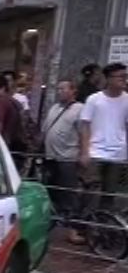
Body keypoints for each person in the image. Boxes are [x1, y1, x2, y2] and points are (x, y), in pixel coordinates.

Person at [79, 62, 128, 213]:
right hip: (95, 153)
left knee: (109, 195)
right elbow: (84, 125)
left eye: (125, 76)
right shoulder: (94, 99)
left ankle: (102, 229)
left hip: (118, 154)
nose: (124, 80)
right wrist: (84, 151)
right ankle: (83, 227)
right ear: (108, 78)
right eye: (121, 77)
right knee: (90, 193)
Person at [41, 79, 85, 242]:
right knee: (51, 192)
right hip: (50, 157)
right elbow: (46, 128)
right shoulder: (54, 108)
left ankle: (72, 229)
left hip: (68, 158)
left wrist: (83, 154)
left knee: (69, 195)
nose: (60, 91)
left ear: (74, 90)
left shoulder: (79, 109)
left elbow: (83, 133)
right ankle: (51, 223)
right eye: (58, 89)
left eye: (64, 89)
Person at [0, 73, 26, 152]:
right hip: (18, 143)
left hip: (6, 144)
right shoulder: (14, 101)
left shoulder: (1, 102)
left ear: (3, 88)